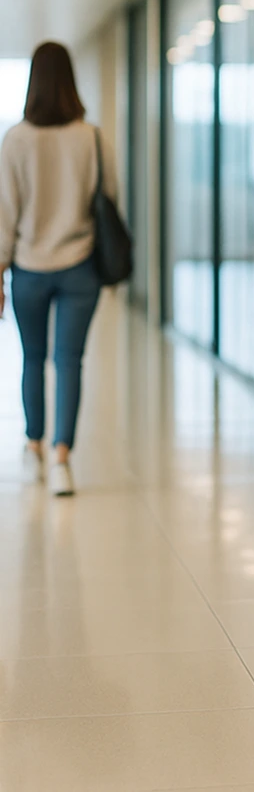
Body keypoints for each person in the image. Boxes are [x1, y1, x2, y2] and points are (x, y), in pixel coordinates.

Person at [0, 42, 115, 498]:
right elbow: (111, 198)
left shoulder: (16, 139)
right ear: (70, 79)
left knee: (33, 358)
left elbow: (5, 213)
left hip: (28, 268)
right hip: (80, 267)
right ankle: (63, 457)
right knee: (69, 362)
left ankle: (33, 450)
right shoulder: (91, 137)